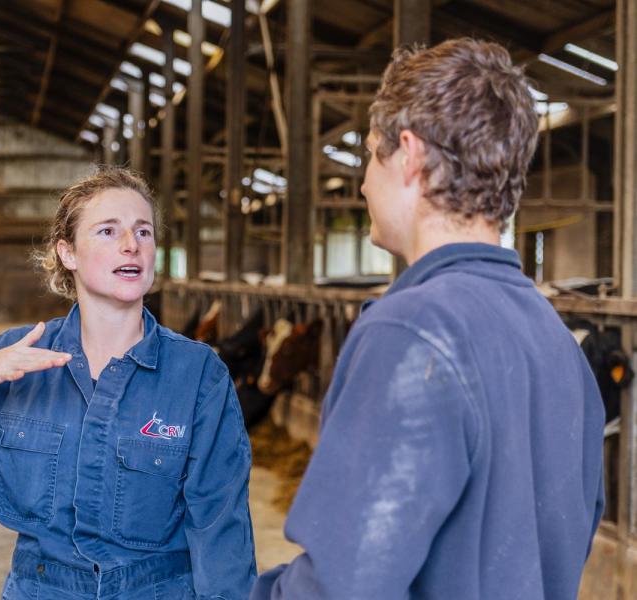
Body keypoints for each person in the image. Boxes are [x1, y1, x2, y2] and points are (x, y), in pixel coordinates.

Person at [251, 38, 605, 600]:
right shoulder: (555, 339)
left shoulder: (411, 331)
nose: (365, 181)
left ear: (410, 156)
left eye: (372, 154)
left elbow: (343, 585)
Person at [0, 167, 256, 599]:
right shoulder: (15, 358)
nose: (131, 245)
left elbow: (220, 523)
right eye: (107, 231)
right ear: (67, 253)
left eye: (144, 232)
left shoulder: (197, 374)